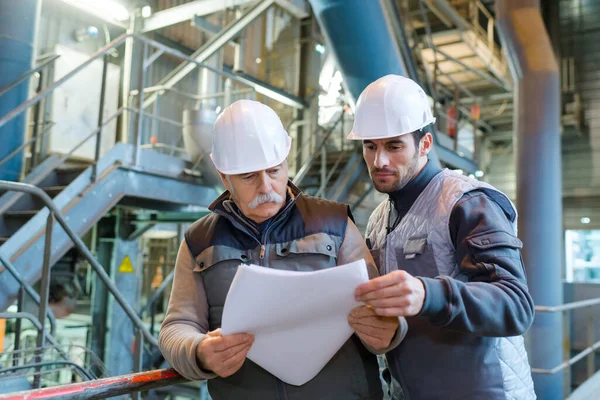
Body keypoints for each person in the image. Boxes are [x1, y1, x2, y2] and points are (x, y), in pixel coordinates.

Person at [159, 99, 406, 400]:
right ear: (224, 177)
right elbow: (178, 326)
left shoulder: (335, 223)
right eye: (249, 176)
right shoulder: (200, 241)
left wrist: (389, 330)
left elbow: (381, 305)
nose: (266, 187)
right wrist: (198, 352)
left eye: (275, 170)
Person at [348, 75, 536, 400]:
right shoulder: (379, 220)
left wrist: (429, 294)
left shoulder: (467, 203)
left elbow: (515, 306)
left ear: (425, 144)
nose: (379, 161)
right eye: (370, 146)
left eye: (394, 146)